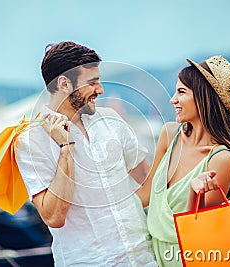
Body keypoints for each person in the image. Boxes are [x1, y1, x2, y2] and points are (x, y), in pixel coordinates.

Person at [14, 41, 157, 266]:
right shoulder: (30, 142)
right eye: (92, 82)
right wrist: (66, 148)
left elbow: (148, 184)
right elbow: (53, 217)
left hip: (143, 258)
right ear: (64, 84)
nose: (100, 89)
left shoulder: (112, 119)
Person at [135, 55, 230, 266]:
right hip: (154, 256)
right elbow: (145, 195)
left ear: (205, 97)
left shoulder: (221, 158)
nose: (173, 100)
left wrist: (194, 193)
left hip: (188, 258)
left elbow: (197, 229)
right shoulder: (169, 134)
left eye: (181, 92)